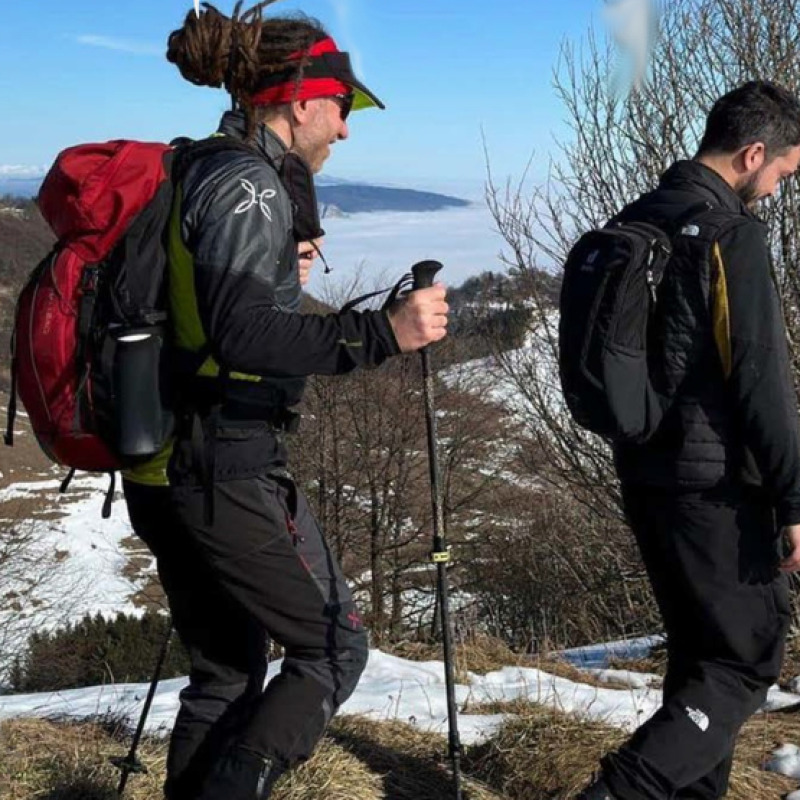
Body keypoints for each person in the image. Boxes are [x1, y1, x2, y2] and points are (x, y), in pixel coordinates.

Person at [121, 5, 449, 800]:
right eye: (344, 107)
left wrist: (276, 284)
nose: (345, 130)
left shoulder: (206, 166)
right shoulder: (247, 184)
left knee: (228, 670)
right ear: (302, 98)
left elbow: (212, 315)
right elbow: (243, 337)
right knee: (334, 647)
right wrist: (384, 333)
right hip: (222, 463)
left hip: (169, 457)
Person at [579, 81, 800, 800]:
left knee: (700, 662)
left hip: (646, 473)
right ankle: (619, 791)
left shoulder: (641, 218)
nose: (774, 191)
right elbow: (761, 378)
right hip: (716, 490)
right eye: (782, 174)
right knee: (742, 664)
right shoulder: (729, 233)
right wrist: (794, 494)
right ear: (754, 152)